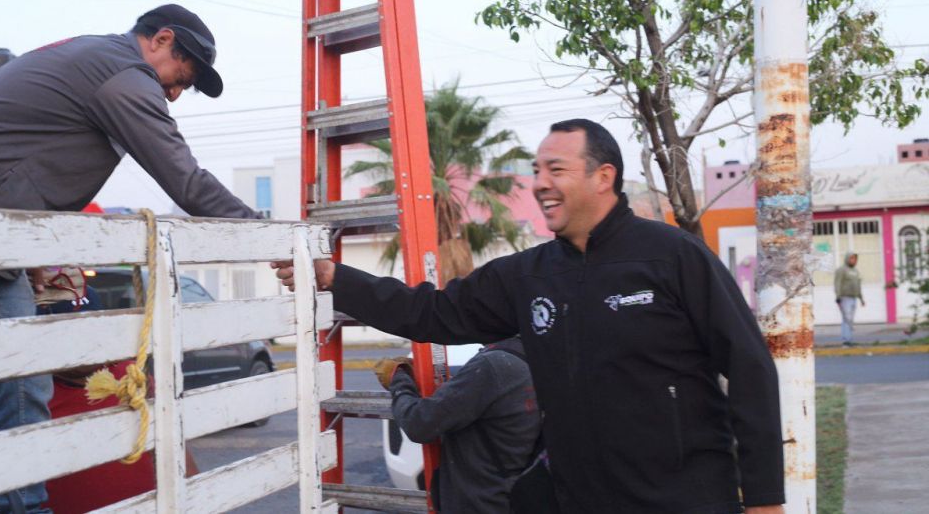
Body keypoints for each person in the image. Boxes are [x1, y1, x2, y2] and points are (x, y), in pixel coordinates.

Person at [275, 119, 786, 514]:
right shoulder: (528, 275)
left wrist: (763, 495)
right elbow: (430, 313)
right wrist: (336, 278)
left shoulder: (672, 257)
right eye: (537, 170)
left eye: (556, 170)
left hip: (685, 499)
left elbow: (750, 367)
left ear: (603, 177)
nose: (540, 183)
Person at [0, 4, 264, 513]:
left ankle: (27, 507)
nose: (174, 93)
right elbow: (184, 178)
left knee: (26, 386)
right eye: (180, 75)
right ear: (160, 40)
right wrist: (265, 237)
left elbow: (36, 153)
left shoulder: (98, 61)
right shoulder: (124, 76)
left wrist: (35, 243)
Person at [374, 337, 541, 513]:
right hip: (512, 494)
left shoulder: (493, 365)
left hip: (480, 501)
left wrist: (399, 380)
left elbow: (419, 423)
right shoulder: (534, 356)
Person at [834, 252, 865, 346]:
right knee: (846, 319)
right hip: (845, 298)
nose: (853, 260)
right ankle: (846, 340)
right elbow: (837, 283)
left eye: (855, 259)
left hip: (854, 298)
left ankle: (849, 339)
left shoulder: (855, 271)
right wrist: (838, 297)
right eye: (851, 258)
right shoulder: (841, 270)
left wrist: (861, 298)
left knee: (850, 320)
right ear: (847, 259)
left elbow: (858, 285)